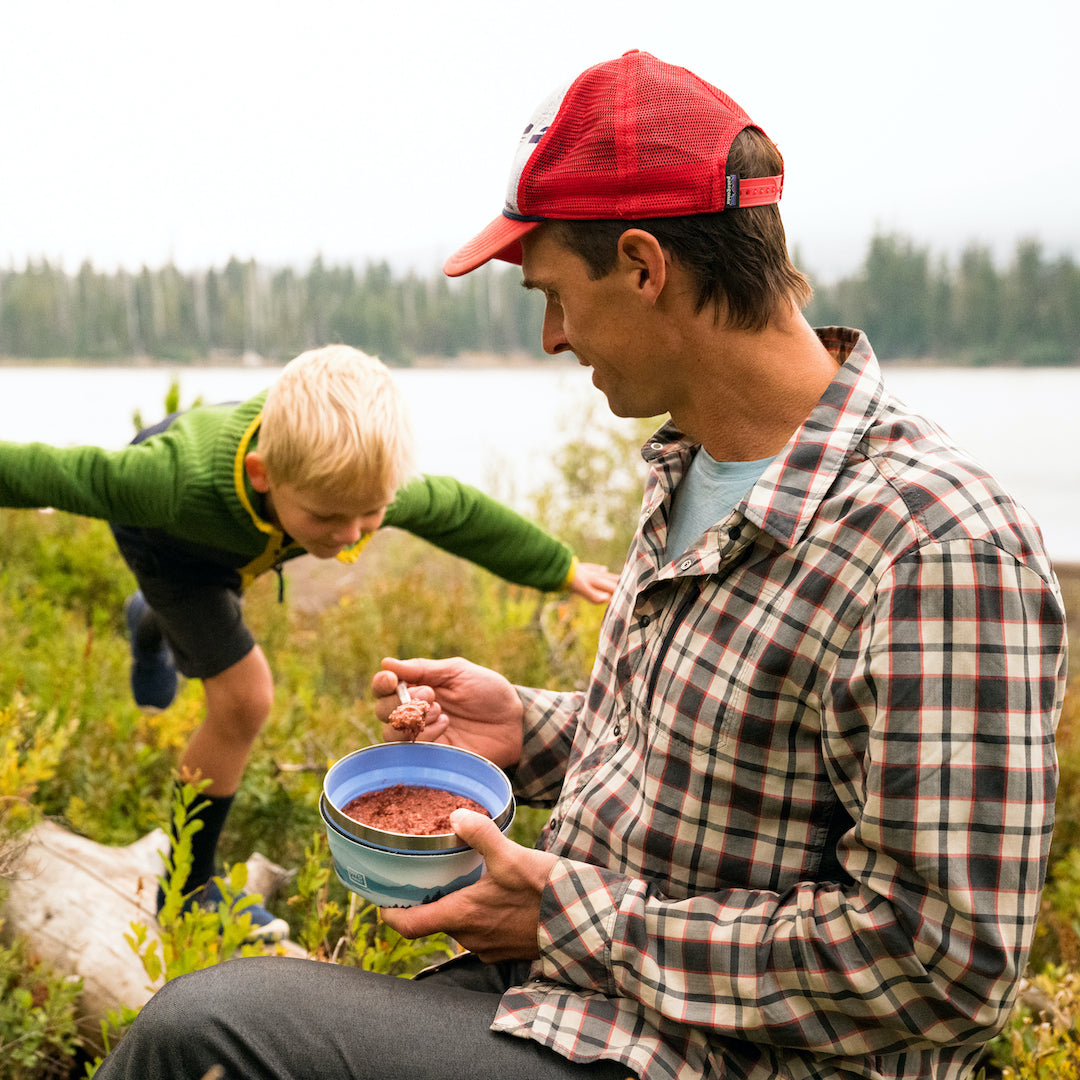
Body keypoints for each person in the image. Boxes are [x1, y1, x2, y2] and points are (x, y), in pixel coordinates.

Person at [94, 50, 1067, 1080]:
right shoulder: (697, 469)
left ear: (646, 267)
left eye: (554, 293)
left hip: (705, 1056)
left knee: (202, 1033)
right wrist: (534, 731)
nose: (552, 336)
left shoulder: (938, 547)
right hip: (577, 1006)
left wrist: (569, 914)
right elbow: (720, 777)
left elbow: (946, 963)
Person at [0, 343, 617, 942]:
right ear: (263, 475)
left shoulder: (349, 482)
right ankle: (186, 885)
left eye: (369, 515)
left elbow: (458, 513)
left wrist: (560, 569)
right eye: (327, 518)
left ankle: (151, 619)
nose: (350, 537)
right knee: (245, 698)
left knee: (225, 603)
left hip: (245, 547)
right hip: (167, 543)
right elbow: (53, 472)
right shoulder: (162, 481)